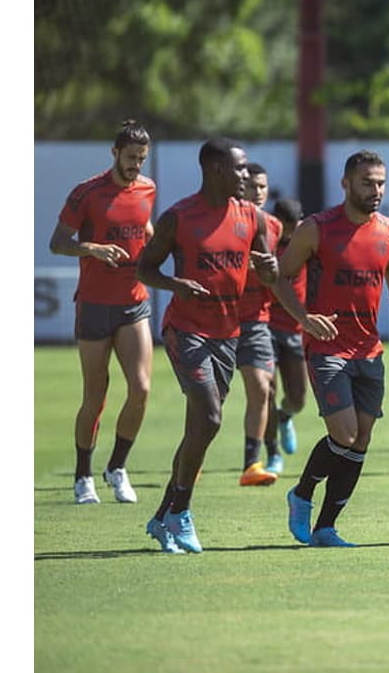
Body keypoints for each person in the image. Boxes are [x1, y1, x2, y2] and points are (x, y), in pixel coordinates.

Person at [137, 136, 279, 553]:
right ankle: (181, 513)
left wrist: (270, 269)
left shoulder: (251, 218)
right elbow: (145, 267)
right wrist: (174, 283)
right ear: (217, 170)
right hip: (186, 331)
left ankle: (163, 516)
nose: (246, 175)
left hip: (227, 334)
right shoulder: (179, 217)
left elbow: (268, 274)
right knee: (212, 419)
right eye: (239, 169)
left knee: (198, 427)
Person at [273, 150, 389, 547]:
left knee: (361, 440)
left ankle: (326, 527)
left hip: (370, 350)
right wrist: (304, 318)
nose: (376, 190)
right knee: (345, 433)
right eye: (368, 182)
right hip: (327, 348)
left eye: (381, 182)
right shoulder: (315, 229)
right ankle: (301, 493)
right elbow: (281, 278)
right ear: (346, 184)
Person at [49, 119, 157, 505]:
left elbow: (142, 223)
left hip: (134, 301)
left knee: (141, 389)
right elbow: (57, 244)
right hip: (94, 304)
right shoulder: (87, 193)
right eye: (130, 158)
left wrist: (158, 245)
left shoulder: (147, 188)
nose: (136, 166)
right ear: (114, 153)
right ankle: (83, 475)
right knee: (95, 396)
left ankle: (118, 468)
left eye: (142, 159)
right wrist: (92, 249)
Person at [232, 163, 282, 487]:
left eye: (262, 186)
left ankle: (253, 462)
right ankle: (188, 462)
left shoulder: (275, 226)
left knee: (263, 389)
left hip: (257, 321)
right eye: (252, 186)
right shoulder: (224, 221)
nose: (258, 192)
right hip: (218, 320)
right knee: (208, 400)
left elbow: (283, 274)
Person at [265, 195, 309, 473]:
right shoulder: (265, 242)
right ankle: (272, 453)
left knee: (298, 397)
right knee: (265, 391)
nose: (292, 233)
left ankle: (285, 417)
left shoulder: (307, 242)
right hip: (265, 326)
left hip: (295, 329)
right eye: (288, 228)